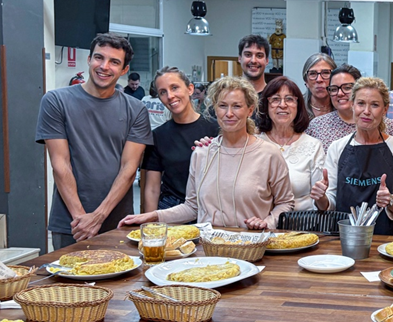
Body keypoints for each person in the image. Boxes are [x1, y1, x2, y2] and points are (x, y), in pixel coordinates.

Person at [119, 77, 294, 230]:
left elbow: (285, 203)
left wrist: (267, 223)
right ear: (215, 109)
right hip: (208, 249)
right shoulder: (202, 153)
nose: (229, 113)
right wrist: (153, 216)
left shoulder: (269, 154)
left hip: (252, 246)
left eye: (237, 106)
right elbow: (192, 207)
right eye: (223, 106)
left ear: (250, 110)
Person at [35, 33, 152, 248]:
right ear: (89, 60)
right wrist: (82, 220)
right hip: (71, 223)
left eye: (114, 62)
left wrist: (98, 216)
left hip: (118, 222)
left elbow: (129, 168)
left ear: (124, 70)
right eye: (99, 57)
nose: (104, 66)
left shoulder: (136, 110)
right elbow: (60, 164)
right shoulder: (55, 101)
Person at [310, 77, 393, 235]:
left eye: (375, 105)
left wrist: (390, 200)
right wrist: (320, 198)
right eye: (361, 103)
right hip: (344, 236)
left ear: (385, 109)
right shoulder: (337, 147)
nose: (366, 111)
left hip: (385, 237)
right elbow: (330, 201)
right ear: (352, 105)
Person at [140, 67, 219, 212]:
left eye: (174, 88)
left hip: (210, 207)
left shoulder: (216, 129)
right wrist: (150, 221)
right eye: (163, 92)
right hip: (172, 207)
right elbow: (152, 188)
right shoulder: (158, 136)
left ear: (190, 89)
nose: (170, 96)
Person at [257, 77, 325, 211]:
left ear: (298, 106)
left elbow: (320, 202)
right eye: (275, 99)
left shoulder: (313, 146)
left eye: (289, 99)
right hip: (260, 220)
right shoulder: (254, 143)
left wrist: (322, 197)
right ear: (266, 106)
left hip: (302, 221)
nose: (282, 105)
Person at [306, 64, 393, 152]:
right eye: (334, 89)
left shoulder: (388, 126)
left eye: (347, 88)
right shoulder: (317, 126)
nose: (340, 93)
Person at [302, 53, 337, 119]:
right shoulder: (296, 108)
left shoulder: (344, 108)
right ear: (306, 81)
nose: (319, 79)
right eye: (313, 74)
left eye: (326, 73)